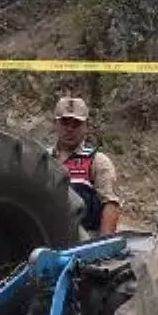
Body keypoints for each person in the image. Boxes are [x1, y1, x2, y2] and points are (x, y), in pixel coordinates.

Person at [53, 95, 121, 236]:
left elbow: (110, 205)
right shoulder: (44, 159)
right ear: (55, 124)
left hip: (85, 243)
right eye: (65, 122)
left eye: (76, 123)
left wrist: (103, 247)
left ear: (86, 127)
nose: (70, 129)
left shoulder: (98, 161)